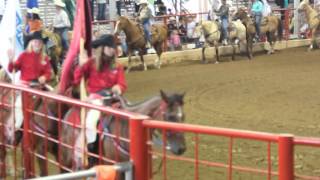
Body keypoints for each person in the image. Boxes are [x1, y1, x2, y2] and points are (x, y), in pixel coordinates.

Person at [73, 34, 127, 156]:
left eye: (113, 47)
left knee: (129, 113)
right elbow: (77, 79)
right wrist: (81, 65)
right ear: (102, 48)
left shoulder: (117, 66)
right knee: (91, 121)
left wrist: (119, 87)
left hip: (113, 98)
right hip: (96, 99)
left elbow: (122, 84)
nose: (112, 50)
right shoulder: (91, 63)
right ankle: (91, 149)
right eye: (109, 47)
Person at [7, 31, 52, 130]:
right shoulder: (24, 55)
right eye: (35, 42)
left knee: (53, 99)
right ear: (31, 43)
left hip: (39, 86)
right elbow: (12, 69)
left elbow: (48, 72)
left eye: (40, 42)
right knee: (19, 106)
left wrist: (45, 77)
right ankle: (17, 127)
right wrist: (11, 60)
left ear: (42, 45)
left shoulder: (44, 57)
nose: (37, 44)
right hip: (25, 86)